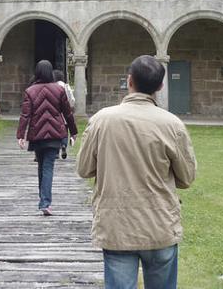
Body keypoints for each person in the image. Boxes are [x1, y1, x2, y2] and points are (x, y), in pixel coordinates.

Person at [77, 55, 196, 289]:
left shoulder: (102, 120)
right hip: (159, 223)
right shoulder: (172, 124)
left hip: (117, 224)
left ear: (129, 81)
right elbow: (187, 178)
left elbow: (84, 169)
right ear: (161, 86)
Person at [17, 60, 77, 216]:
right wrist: (73, 131)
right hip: (54, 134)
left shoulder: (30, 91)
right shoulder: (58, 90)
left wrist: (20, 135)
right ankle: (45, 202)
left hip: (37, 134)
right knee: (48, 166)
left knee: (41, 166)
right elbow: (67, 112)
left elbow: (25, 115)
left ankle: (43, 200)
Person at [53, 69, 75, 159]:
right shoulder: (66, 86)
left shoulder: (53, 86)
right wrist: (70, 106)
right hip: (65, 112)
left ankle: (56, 151)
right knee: (65, 131)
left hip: (55, 112)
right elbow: (72, 99)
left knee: (55, 131)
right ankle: (64, 145)